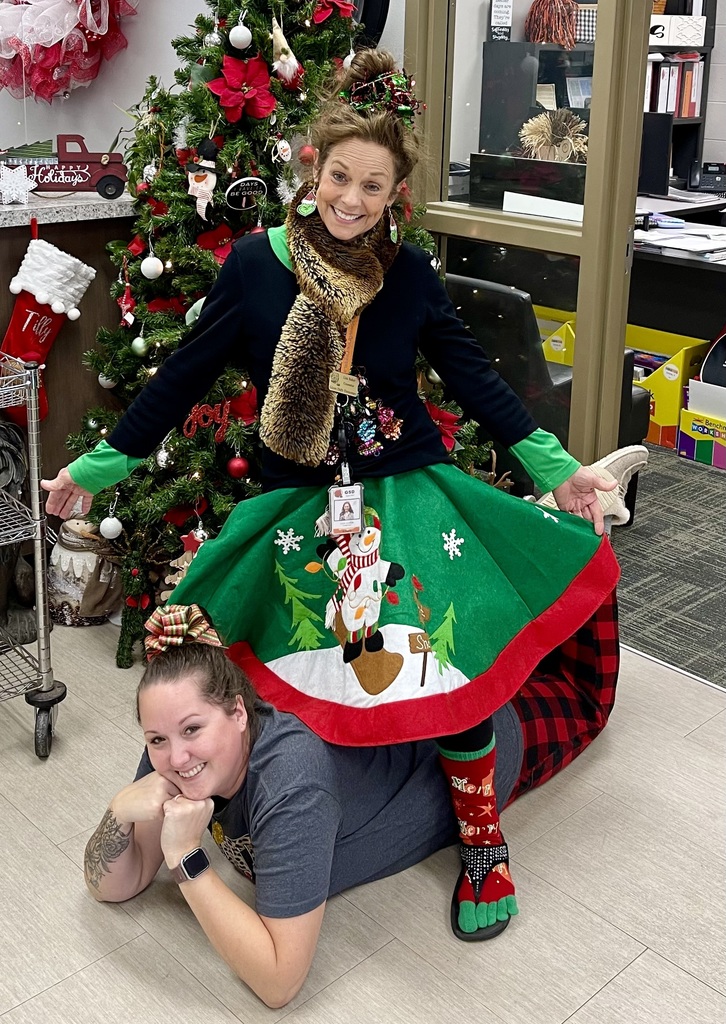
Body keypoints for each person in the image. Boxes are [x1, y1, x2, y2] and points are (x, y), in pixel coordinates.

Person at [44, 49, 644, 941]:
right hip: (296, 506)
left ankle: (482, 838)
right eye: (338, 177)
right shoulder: (256, 266)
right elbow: (180, 379)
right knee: (260, 660)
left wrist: (559, 470)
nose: (351, 200)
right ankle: (250, 809)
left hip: (406, 495)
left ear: (396, 192)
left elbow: (475, 378)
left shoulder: (410, 274)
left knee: (445, 666)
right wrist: (93, 471)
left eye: (373, 185)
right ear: (311, 167)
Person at [84, 600, 619, 1008]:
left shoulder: (291, 786)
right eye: (156, 739)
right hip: (393, 740)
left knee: (580, 693)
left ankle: (582, 524)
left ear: (240, 713)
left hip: (480, 752)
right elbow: (114, 886)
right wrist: (120, 810)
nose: (175, 757)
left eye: (191, 730)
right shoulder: (177, 752)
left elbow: (278, 983)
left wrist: (187, 859)